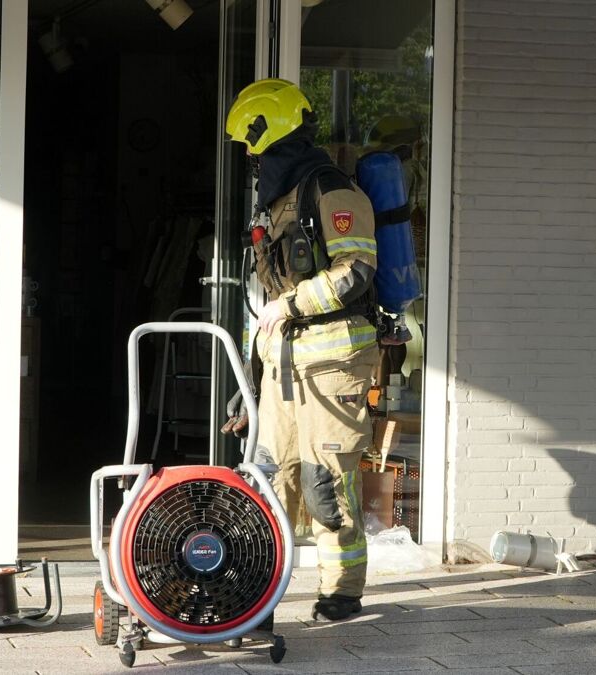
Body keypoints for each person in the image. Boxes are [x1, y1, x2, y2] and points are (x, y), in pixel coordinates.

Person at [223, 78, 378, 623]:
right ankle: (256, 593)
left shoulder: (331, 191)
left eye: (255, 147)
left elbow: (356, 272)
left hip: (335, 366)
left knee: (324, 485)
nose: (251, 159)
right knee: (267, 480)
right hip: (284, 365)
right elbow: (267, 301)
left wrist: (289, 308)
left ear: (276, 137)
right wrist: (249, 383)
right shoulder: (278, 204)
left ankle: (341, 593)